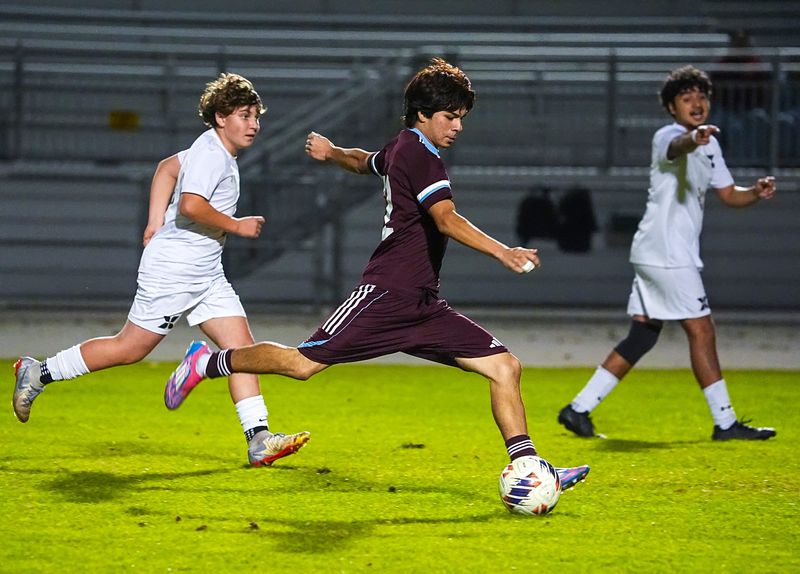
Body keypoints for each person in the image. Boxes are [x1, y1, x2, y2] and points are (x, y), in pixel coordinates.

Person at [162, 58, 590, 491]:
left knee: (504, 366)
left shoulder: (406, 147)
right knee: (302, 364)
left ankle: (529, 469)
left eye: (461, 117)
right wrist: (503, 251)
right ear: (423, 114)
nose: (457, 126)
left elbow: (365, 160)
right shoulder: (422, 157)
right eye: (449, 117)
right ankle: (208, 362)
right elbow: (446, 218)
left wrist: (331, 153)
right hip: (384, 294)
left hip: (422, 304)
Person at [12, 73, 310, 466]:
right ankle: (39, 372)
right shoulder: (211, 154)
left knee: (240, 349)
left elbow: (166, 167)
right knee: (129, 348)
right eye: (245, 115)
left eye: (256, 116)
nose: (254, 124)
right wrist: (237, 225)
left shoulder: (211, 149)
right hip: (174, 271)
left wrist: (154, 221)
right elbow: (190, 204)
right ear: (221, 117)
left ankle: (258, 438)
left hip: (205, 272)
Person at [558, 65, 777, 442]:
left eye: (702, 96)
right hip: (668, 254)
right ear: (672, 108)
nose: (697, 103)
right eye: (687, 98)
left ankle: (577, 409)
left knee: (642, 336)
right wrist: (695, 138)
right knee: (702, 329)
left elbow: (727, 194)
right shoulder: (669, 136)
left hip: (657, 252)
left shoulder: (711, 144)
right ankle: (725, 423)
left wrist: (754, 192)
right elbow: (679, 148)